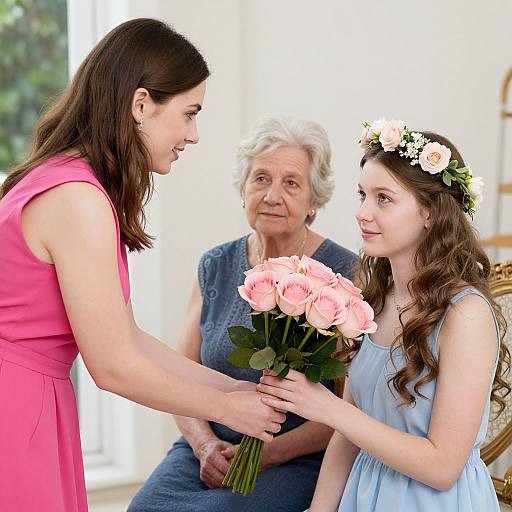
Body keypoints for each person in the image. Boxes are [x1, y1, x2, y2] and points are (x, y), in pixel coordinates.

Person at [0, 19, 285, 512]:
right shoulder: (76, 198)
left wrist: (230, 386)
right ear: (140, 105)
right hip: (16, 404)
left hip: (29, 399)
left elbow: (127, 338)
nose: (193, 135)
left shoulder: (67, 180)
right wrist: (226, 408)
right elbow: (112, 366)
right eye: (189, 114)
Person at [258, 119, 511, 511]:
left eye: (383, 198)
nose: (362, 212)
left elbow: (443, 466)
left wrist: (329, 408)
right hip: (363, 493)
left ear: (429, 212)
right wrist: (320, 508)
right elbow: (348, 431)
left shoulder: (466, 316)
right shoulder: (372, 299)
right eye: (362, 195)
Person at [128, 116, 358, 512]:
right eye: (261, 178)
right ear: (243, 188)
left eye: (291, 183)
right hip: (208, 447)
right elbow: (180, 375)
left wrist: (271, 452)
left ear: (314, 199)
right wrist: (204, 445)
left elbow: (350, 410)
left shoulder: (341, 276)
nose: (271, 195)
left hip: (295, 457)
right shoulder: (215, 264)